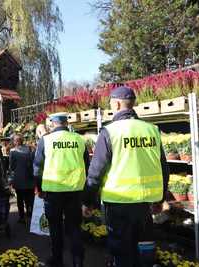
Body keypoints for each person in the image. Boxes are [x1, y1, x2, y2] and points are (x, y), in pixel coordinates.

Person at [83, 86, 169, 267]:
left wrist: (88, 202)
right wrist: (160, 199)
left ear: (116, 104)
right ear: (133, 104)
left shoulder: (110, 132)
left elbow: (95, 172)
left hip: (119, 204)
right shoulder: (152, 130)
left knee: (122, 251)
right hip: (145, 203)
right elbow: (163, 168)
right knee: (145, 248)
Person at [34, 113, 90, 267]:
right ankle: (78, 262)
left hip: (53, 192)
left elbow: (37, 169)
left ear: (52, 123)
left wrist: (39, 189)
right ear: (66, 123)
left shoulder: (45, 140)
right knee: (74, 229)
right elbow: (87, 165)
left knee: (55, 229)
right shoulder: (79, 139)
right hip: (75, 192)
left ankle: (57, 260)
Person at [9, 134, 35, 223]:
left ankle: (21, 217)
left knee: (20, 198)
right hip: (29, 177)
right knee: (29, 197)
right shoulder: (29, 149)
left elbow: (11, 166)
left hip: (19, 178)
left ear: (15, 142)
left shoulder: (13, 151)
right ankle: (29, 211)